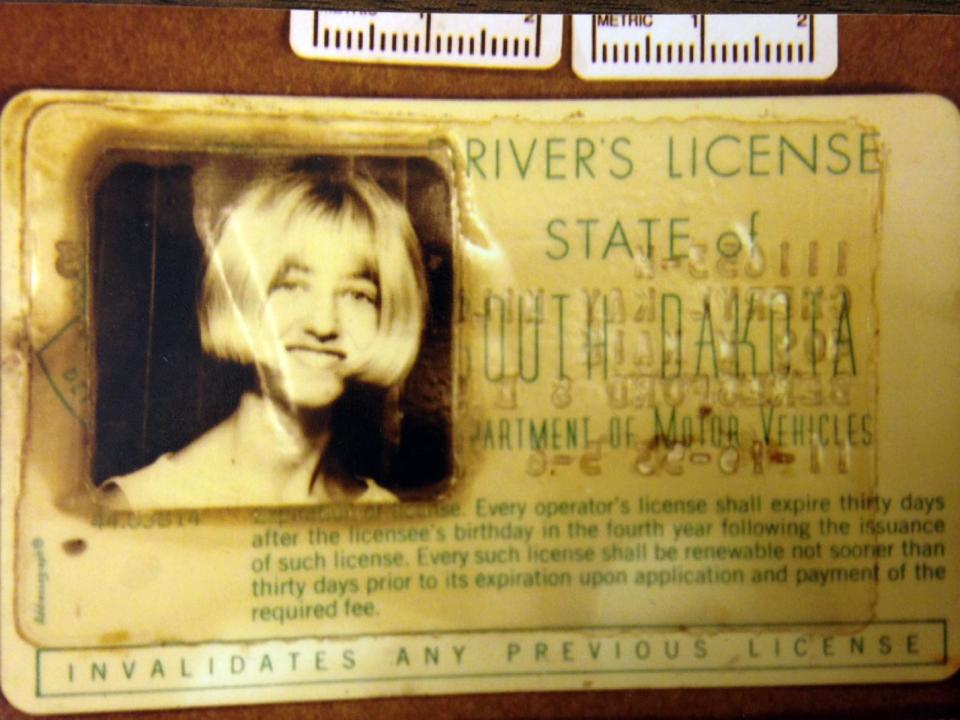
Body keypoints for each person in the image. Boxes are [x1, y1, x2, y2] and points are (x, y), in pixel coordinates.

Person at [104, 163, 428, 509]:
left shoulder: (383, 512)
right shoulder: (137, 506)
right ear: (242, 294)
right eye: (292, 286)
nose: (323, 324)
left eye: (356, 294)